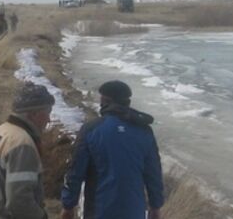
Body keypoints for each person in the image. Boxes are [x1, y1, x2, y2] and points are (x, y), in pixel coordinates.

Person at [61, 80, 165, 219]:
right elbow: (154, 173)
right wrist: (155, 206)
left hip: (99, 210)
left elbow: (75, 171)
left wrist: (68, 205)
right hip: (134, 211)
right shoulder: (144, 130)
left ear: (105, 101)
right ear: (127, 102)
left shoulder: (91, 129)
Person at [0, 82, 55, 219]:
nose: (49, 119)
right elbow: (19, 201)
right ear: (33, 114)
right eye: (47, 113)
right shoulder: (22, 144)